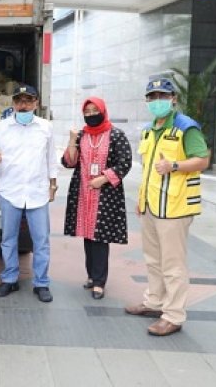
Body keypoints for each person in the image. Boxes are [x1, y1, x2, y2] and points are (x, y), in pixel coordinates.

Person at [125, 78, 210, 336]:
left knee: (173, 265)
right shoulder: (149, 130)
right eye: (152, 97)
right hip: (152, 206)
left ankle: (173, 315)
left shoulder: (186, 127)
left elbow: (202, 160)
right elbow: (149, 169)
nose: (157, 101)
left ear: (173, 98)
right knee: (153, 260)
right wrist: (142, 200)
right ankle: (154, 301)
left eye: (162, 95)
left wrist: (174, 165)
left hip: (175, 207)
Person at [0, 84, 59, 303]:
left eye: (28, 100)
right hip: (10, 190)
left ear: (36, 103)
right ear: (13, 104)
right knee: (8, 239)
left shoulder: (45, 127)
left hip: (37, 192)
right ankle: (9, 278)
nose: (23, 105)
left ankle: (42, 283)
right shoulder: (1, 128)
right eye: (19, 101)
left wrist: (52, 186)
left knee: (41, 241)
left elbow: (51, 159)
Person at [62, 97, 132, 300]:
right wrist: (71, 141)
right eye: (88, 111)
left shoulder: (116, 135)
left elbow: (125, 162)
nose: (91, 114)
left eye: (95, 110)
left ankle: (100, 282)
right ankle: (92, 276)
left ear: (103, 110)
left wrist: (103, 179)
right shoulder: (81, 135)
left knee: (100, 237)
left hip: (106, 195)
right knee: (87, 235)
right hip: (83, 193)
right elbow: (69, 162)